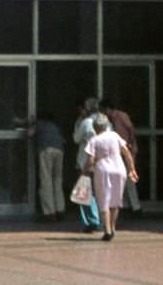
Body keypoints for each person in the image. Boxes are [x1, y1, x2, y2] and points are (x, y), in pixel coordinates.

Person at [84, 113, 138, 241]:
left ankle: (107, 230)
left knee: (104, 201)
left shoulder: (94, 140)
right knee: (115, 201)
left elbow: (90, 160)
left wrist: (84, 172)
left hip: (103, 171)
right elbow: (126, 153)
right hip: (119, 170)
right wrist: (132, 169)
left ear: (95, 128)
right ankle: (113, 228)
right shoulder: (114, 135)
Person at [100, 98, 141, 215]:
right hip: (117, 152)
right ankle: (127, 205)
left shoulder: (121, 116)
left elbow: (130, 128)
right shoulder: (110, 120)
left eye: (104, 110)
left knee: (129, 178)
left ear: (108, 108)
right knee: (120, 178)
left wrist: (131, 143)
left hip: (127, 149)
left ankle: (136, 207)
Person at [73, 98, 102, 232]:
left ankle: (91, 221)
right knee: (100, 191)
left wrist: (78, 122)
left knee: (84, 191)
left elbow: (76, 139)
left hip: (86, 161)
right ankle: (102, 220)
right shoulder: (105, 122)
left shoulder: (86, 122)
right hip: (102, 162)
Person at [29, 111, 65, 220]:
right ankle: (60, 209)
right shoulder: (55, 126)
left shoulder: (40, 124)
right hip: (59, 150)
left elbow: (29, 134)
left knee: (46, 180)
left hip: (46, 150)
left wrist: (31, 124)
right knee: (57, 180)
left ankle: (49, 213)